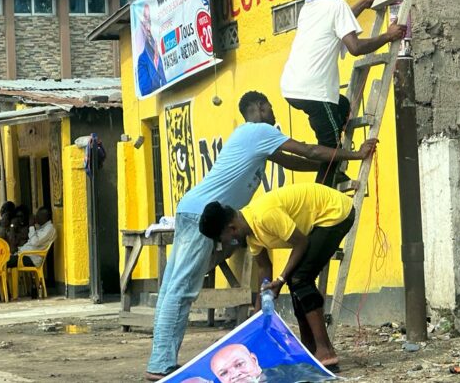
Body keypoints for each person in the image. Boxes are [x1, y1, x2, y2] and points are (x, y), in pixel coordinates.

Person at [145, 91, 376, 381]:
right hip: (201, 214)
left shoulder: (253, 139)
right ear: (257, 108)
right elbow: (308, 150)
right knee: (180, 291)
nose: (273, 113)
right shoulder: (258, 131)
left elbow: (295, 162)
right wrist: (354, 154)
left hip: (193, 209)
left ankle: (160, 360)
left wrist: (329, 164)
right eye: (269, 107)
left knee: (173, 289)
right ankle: (161, 364)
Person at [200, 183, 356, 370]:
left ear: (231, 228)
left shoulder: (264, 215)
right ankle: (310, 347)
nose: (226, 243)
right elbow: (264, 269)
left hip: (335, 212)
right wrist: (257, 320)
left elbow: (301, 242)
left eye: (222, 239)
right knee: (294, 279)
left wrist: (280, 280)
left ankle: (326, 351)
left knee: (299, 279)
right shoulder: (251, 235)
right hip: (317, 223)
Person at [280, 0, 406, 186]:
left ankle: (333, 168)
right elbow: (355, 48)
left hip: (292, 88)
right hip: (314, 92)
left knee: (343, 107)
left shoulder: (310, 7)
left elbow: (340, 21)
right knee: (331, 153)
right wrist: (388, 36)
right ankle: (323, 198)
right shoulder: (336, 6)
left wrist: (363, 3)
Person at [210, 343, 329, 383]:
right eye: (224, 373)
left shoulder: (295, 371)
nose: (235, 374)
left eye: (239, 364)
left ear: (254, 360)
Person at [136, 3, 167, 96]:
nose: (148, 28)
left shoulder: (170, 45)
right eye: (146, 20)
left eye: (151, 21)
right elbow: (146, 91)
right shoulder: (143, 59)